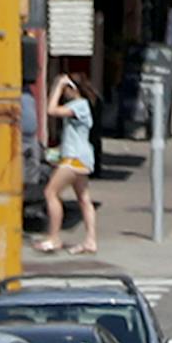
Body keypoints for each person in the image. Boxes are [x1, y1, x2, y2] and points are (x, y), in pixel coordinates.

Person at [36, 75, 100, 256]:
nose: (64, 94)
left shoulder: (79, 105)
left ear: (74, 89)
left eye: (66, 90)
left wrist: (57, 86)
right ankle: (90, 240)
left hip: (74, 158)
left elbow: (51, 110)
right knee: (84, 199)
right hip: (81, 158)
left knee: (51, 193)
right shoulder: (84, 106)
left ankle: (54, 238)